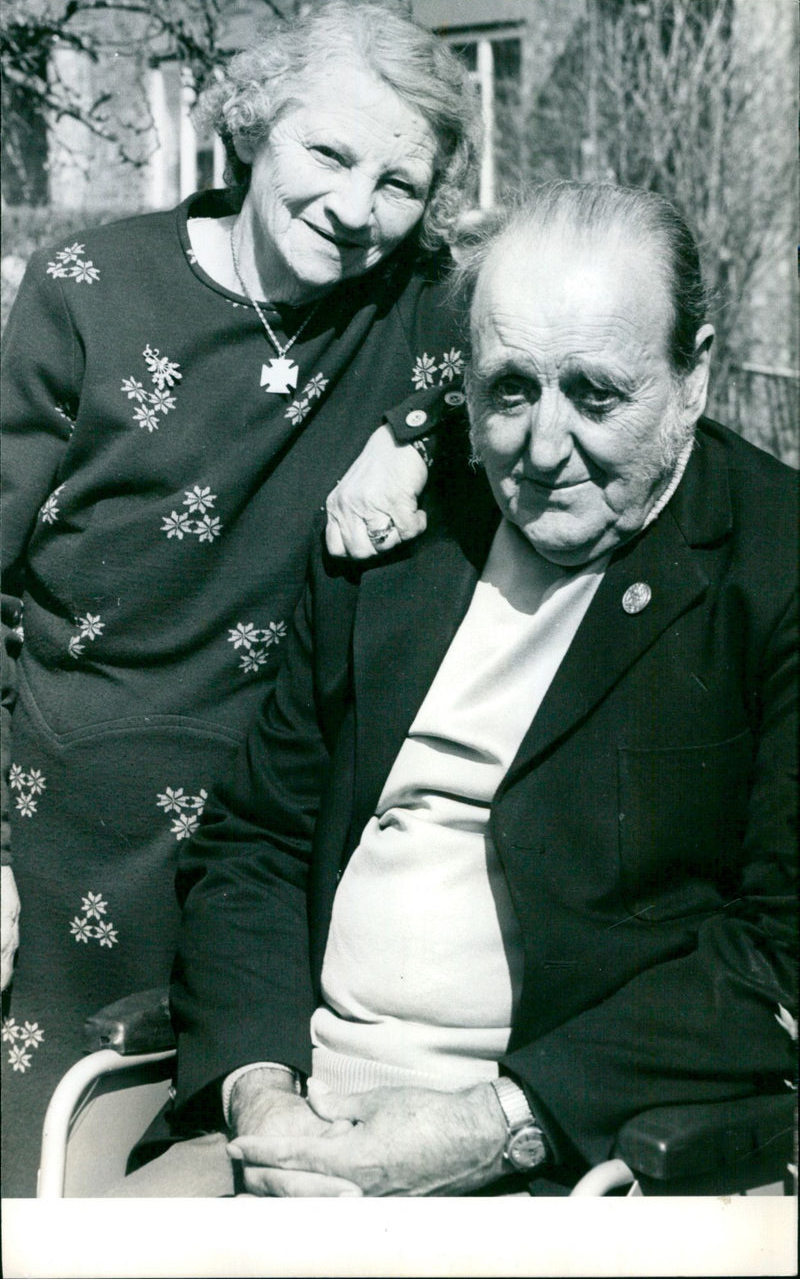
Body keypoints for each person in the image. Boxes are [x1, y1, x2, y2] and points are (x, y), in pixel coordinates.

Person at [114, 180, 797, 1198]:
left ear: (692, 375)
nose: (541, 444)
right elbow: (255, 840)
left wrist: (491, 1125)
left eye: (596, 395)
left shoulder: (770, 564)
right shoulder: (396, 531)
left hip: (566, 1155)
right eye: (508, 389)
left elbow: (777, 949)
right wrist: (262, 1099)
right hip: (291, 1126)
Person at [0, 0, 479, 1196]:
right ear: (254, 125)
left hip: (277, 854)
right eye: (328, 152)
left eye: (399, 183)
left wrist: (419, 437)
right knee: (46, 1182)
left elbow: (564, 347)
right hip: (66, 836)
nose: (356, 207)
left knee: (247, 1190)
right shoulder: (84, 292)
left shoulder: (421, 305)